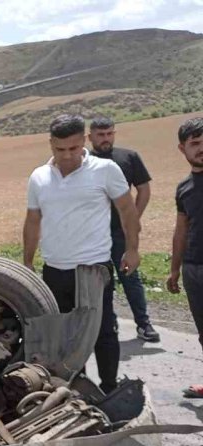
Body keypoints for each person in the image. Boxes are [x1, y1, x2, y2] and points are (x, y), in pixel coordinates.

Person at [22, 113, 141, 394]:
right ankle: (77, 390)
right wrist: (27, 261)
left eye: (73, 148)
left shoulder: (105, 169)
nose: (67, 155)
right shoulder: (39, 177)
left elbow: (127, 210)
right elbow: (33, 220)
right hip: (54, 269)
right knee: (64, 334)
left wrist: (132, 249)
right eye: (60, 149)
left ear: (84, 141)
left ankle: (109, 390)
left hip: (93, 268)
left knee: (102, 331)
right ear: (50, 144)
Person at [88, 115, 160, 342]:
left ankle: (144, 324)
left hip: (121, 233)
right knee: (99, 280)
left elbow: (143, 189)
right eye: (100, 135)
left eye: (109, 133)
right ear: (90, 137)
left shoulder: (128, 157)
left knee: (130, 276)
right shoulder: (83, 161)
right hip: (92, 233)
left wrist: (133, 219)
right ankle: (108, 322)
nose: (106, 138)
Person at [167, 117, 203, 398]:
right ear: (183, 149)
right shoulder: (184, 188)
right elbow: (181, 230)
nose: (201, 148)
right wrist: (175, 269)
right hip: (193, 268)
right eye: (195, 143)